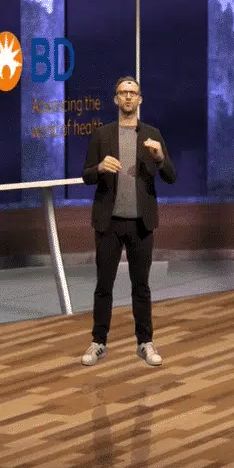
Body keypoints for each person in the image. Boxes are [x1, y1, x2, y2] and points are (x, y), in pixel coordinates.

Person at [80, 76, 176, 367]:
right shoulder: (102, 135)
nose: (128, 97)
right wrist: (99, 167)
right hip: (108, 223)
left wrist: (159, 157)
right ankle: (98, 342)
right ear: (116, 99)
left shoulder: (152, 134)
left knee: (141, 286)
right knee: (104, 285)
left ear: (140, 99)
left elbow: (170, 176)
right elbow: (86, 175)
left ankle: (145, 342)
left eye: (133, 93)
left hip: (140, 224)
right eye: (123, 92)